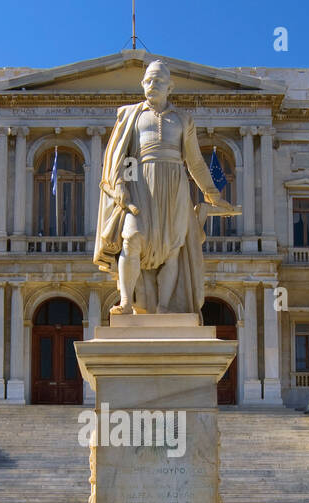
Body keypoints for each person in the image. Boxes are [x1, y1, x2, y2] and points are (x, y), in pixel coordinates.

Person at [93, 60, 238, 316]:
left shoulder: (183, 119)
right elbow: (121, 156)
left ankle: (164, 308)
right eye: (148, 80)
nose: (152, 85)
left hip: (174, 188)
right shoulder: (131, 115)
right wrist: (121, 187)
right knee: (131, 238)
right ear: (142, 85)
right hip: (141, 184)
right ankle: (126, 302)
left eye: (158, 81)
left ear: (170, 87)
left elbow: (194, 162)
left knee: (173, 249)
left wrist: (213, 195)